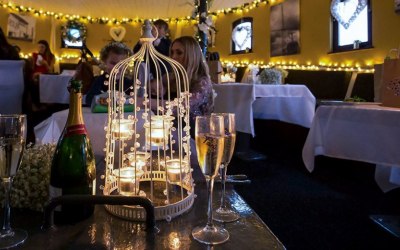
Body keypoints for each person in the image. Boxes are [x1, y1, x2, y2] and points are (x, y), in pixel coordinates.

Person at [151, 36, 214, 138]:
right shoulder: (170, 77)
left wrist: (145, 102)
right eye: (172, 52)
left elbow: (181, 106)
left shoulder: (202, 82)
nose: (173, 57)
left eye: (179, 53)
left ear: (192, 55)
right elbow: (151, 87)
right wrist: (154, 85)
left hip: (195, 138)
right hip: (170, 134)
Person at [85, 41, 133, 106]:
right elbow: (89, 100)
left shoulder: (129, 83)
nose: (117, 67)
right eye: (113, 63)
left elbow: (134, 101)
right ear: (105, 61)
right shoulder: (99, 81)